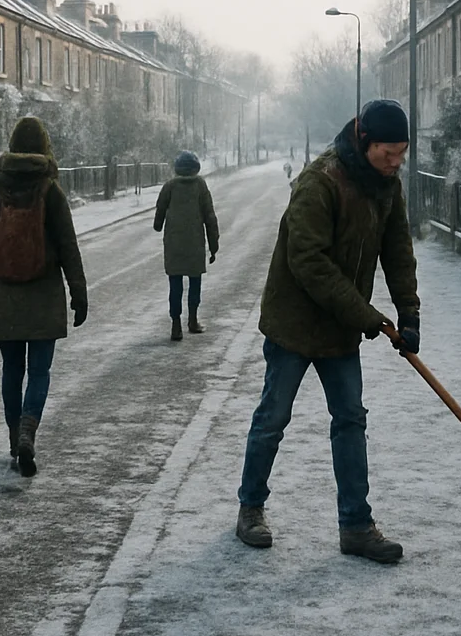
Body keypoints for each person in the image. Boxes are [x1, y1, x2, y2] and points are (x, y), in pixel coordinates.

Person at [236, 100, 420, 564]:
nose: (396, 162)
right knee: (273, 418)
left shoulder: (386, 186)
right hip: (294, 323)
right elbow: (309, 263)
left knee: (351, 420)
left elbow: (398, 251)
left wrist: (409, 313)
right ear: (364, 141)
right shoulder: (320, 182)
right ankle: (250, 508)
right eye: (388, 153)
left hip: (340, 326)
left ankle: (356, 526)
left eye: (402, 153)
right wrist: (366, 315)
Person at [0, 117, 88, 477]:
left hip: (1, 292)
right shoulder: (50, 188)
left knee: (11, 369)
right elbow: (68, 246)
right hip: (43, 294)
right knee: (39, 371)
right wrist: (78, 293)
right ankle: (28, 430)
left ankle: (12, 435)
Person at [153, 151, 220, 341]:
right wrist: (214, 244)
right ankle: (192, 320)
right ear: (195, 168)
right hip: (195, 244)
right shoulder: (200, 185)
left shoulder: (169, 186)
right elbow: (209, 216)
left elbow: (160, 209)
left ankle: (176, 326)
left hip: (174, 244)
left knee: (175, 285)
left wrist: (158, 225)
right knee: (194, 283)